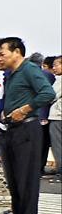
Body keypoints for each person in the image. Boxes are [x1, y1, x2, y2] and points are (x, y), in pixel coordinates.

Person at [0, 37, 56, 214]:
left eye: (1, 54)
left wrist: (26, 109)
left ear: (17, 52)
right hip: (11, 129)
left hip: (27, 129)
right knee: (14, 177)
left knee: (26, 177)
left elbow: (48, 93)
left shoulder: (29, 69)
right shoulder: (11, 75)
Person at [48, 55, 62, 183]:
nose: (54, 67)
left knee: (58, 146)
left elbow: (51, 96)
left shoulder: (59, 80)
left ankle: (60, 172)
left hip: (57, 116)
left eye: (56, 64)